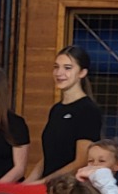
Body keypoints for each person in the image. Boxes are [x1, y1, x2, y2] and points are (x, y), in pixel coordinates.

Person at [30, 45, 102, 182]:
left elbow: (81, 161)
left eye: (67, 68)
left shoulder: (88, 110)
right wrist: (28, 182)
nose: (59, 73)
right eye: (56, 67)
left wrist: (45, 182)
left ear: (82, 73)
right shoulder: (56, 109)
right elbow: (49, 156)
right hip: (49, 187)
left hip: (69, 188)